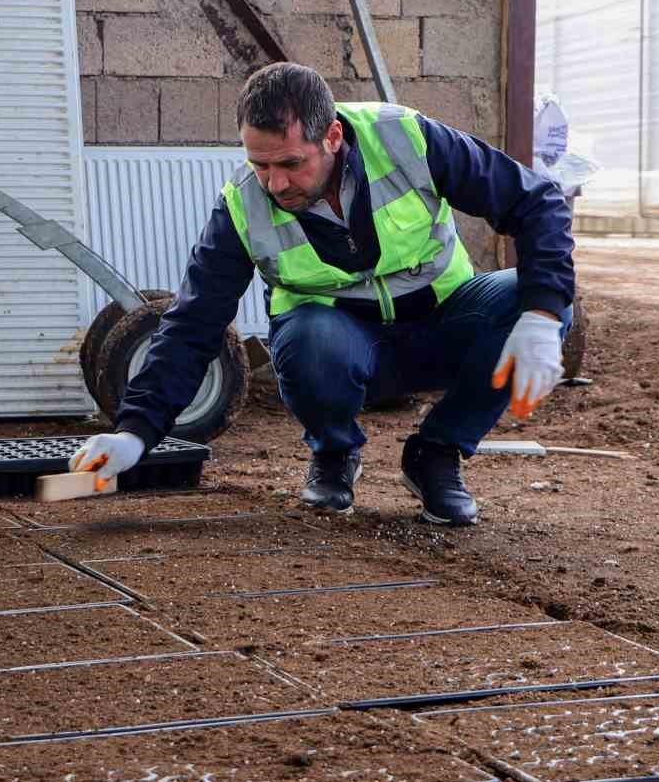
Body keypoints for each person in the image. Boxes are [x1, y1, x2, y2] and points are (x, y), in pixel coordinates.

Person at [71, 62, 574, 526]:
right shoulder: (242, 205)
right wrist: (135, 431)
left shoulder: (405, 139)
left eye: (291, 163)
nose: (275, 183)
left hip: (443, 324)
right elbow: (194, 321)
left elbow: (536, 201)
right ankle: (334, 454)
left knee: (537, 302)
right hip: (335, 348)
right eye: (261, 165)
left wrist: (542, 315)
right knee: (309, 338)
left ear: (332, 136)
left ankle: (436, 455)